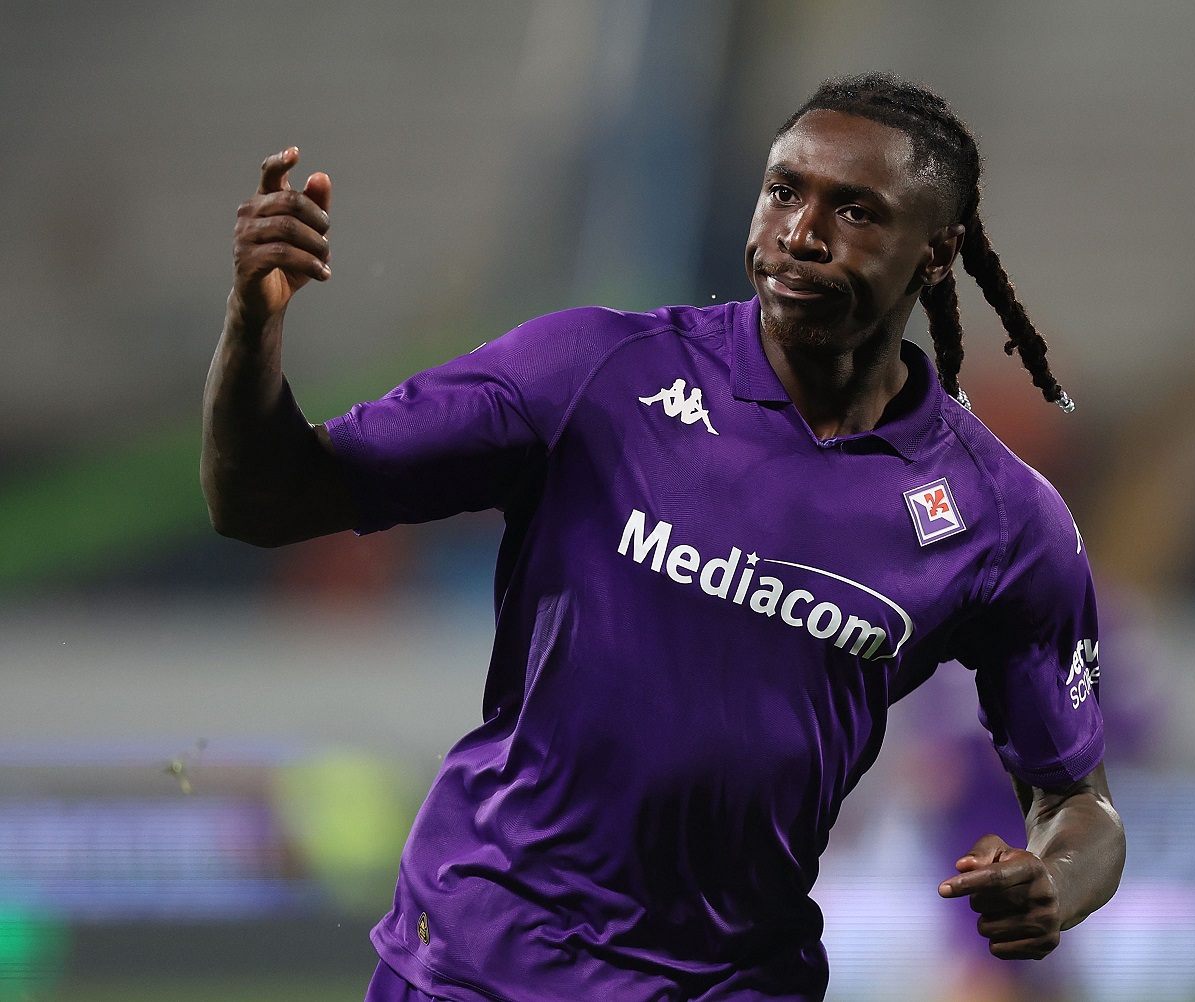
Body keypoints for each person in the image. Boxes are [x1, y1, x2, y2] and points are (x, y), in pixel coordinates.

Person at [203, 72, 1125, 1002]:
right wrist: (252, 320)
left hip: (735, 983)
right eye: (783, 192)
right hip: (486, 963)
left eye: (855, 211)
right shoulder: (593, 372)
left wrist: (1054, 882)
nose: (800, 235)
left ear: (938, 252)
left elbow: (1078, 802)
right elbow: (263, 502)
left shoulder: (1002, 520)